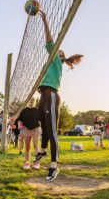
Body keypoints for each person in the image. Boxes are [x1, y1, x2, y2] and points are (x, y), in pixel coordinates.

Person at [33, 10, 83, 182]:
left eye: (59, 51)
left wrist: (45, 20)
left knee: (53, 131)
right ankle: (43, 150)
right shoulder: (50, 64)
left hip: (52, 96)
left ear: (60, 56)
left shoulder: (55, 60)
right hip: (44, 97)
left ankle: (54, 166)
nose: (56, 50)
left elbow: (48, 39)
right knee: (44, 128)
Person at [18, 97, 41, 169]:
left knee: (35, 145)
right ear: (28, 101)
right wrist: (19, 125)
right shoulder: (24, 110)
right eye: (30, 100)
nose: (31, 102)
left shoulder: (37, 110)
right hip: (27, 129)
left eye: (33, 101)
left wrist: (42, 129)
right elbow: (20, 120)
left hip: (36, 129)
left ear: (35, 102)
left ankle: (37, 163)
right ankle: (27, 162)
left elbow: (41, 121)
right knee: (27, 147)